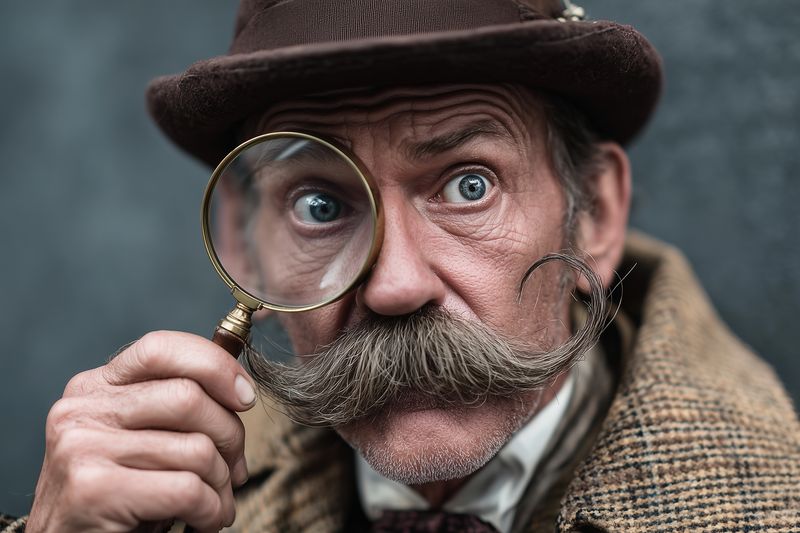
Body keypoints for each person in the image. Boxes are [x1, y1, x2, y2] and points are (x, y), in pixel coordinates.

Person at [4, 0, 799, 531]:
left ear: (594, 212)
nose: (393, 286)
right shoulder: (170, 503)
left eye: (467, 185)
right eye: (321, 204)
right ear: (247, 250)